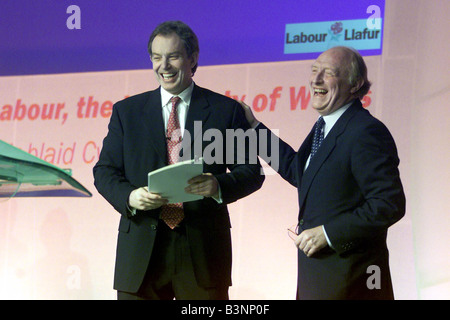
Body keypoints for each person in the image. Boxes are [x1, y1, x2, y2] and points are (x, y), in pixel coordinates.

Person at [93, 20, 264, 300]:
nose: (164, 66)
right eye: (157, 58)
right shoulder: (127, 112)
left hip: (202, 250)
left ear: (192, 58)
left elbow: (252, 172)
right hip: (141, 251)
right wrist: (130, 197)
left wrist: (217, 185)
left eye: (172, 56)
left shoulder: (224, 110)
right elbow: (105, 171)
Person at [240, 46, 405, 299]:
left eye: (327, 73)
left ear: (355, 83)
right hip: (321, 280)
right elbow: (300, 172)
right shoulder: (325, 126)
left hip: (352, 282)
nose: (315, 79)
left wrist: (328, 233)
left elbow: (389, 203)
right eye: (314, 70)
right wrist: (253, 126)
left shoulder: (365, 132)